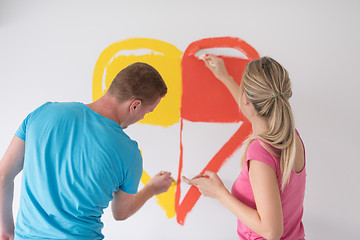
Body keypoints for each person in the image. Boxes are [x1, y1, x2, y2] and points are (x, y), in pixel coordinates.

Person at [0, 62, 174, 240]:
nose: (142, 117)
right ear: (135, 105)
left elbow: (3, 175)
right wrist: (152, 188)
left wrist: (6, 232)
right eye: (147, 112)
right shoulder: (129, 152)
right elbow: (121, 213)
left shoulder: (42, 114)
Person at [183, 55, 306, 240]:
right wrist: (224, 76)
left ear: (246, 100)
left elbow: (272, 231)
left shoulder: (261, 153)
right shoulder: (291, 136)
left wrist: (219, 193)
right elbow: (258, 113)